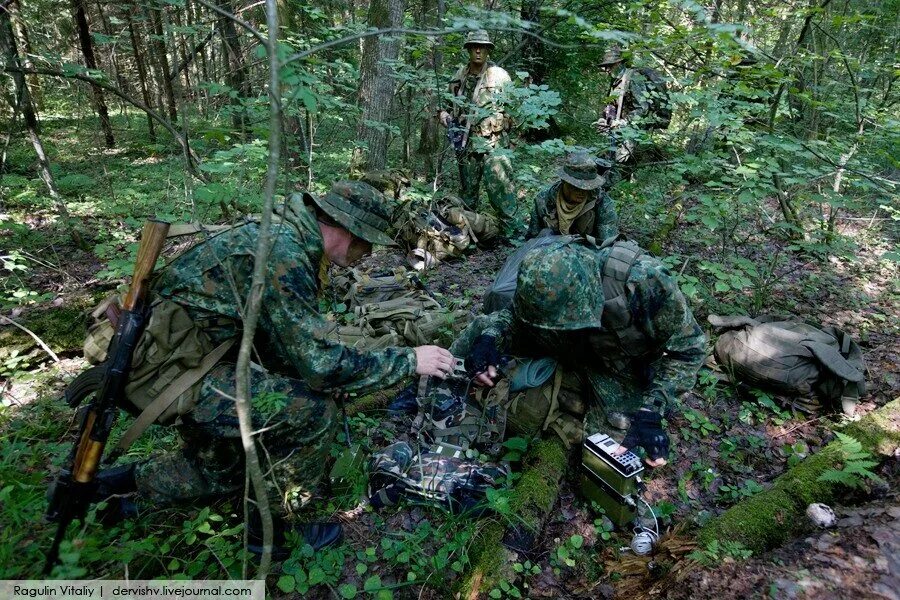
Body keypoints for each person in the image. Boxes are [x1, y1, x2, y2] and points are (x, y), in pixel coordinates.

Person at [86, 181, 455, 553]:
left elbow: (280, 340)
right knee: (315, 413)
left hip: (191, 358)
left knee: (225, 462)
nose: (369, 252)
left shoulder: (282, 234)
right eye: (366, 241)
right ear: (344, 227)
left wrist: (322, 375)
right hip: (173, 372)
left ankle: (116, 489)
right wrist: (410, 360)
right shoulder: (285, 254)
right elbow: (321, 366)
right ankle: (269, 533)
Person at [450, 237, 705, 466]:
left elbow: (689, 351)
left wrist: (653, 409)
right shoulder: (540, 276)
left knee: (618, 447)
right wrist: (490, 340)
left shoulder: (644, 282)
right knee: (483, 328)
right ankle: (441, 383)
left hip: (615, 365)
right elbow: (514, 318)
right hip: (561, 345)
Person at [439, 30, 519, 238]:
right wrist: (444, 115)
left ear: (487, 50)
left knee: (501, 190)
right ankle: (471, 233)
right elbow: (446, 105)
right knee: (468, 194)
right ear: (467, 49)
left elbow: (515, 110)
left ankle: (511, 235)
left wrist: (514, 142)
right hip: (466, 144)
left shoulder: (499, 76)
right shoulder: (458, 76)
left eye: (482, 46)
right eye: (474, 46)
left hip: (494, 143)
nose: (477, 50)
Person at [593, 45, 670, 165]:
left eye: (609, 66)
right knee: (608, 159)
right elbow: (612, 104)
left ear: (619, 63)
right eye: (605, 66)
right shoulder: (616, 80)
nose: (606, 70)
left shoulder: (633, 78)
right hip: (617, 131)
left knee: (620, 162)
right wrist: (603, 119)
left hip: (631, 130)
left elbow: (643, 108)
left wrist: (623, 122)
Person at [525, 152, 619, 240]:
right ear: (564, 182)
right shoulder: (543, 199)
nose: (582, 192)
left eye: (587, 188)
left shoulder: (602, 203)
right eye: (577, 187)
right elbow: (532, 239)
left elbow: (607, 243)